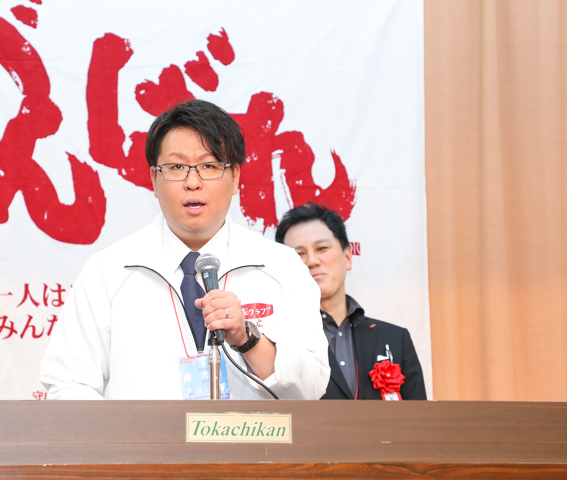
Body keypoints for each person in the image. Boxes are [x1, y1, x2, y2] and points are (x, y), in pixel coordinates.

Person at [40, 100, 330, 400]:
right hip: (144, 434)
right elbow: (68, 383)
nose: (193, 182)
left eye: (209, 166)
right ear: (154, 179)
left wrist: (247, 339)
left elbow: (311, 388)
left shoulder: (280, 266)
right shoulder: (108, 271)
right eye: (176, 167)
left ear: (235, 178)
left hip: (249, 433)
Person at [275, 203, 426, 400]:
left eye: (322, 248)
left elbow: (419, 416)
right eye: (299, 254)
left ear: (347, 257)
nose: (312, 261)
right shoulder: (276, 341)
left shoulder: (395, 339)